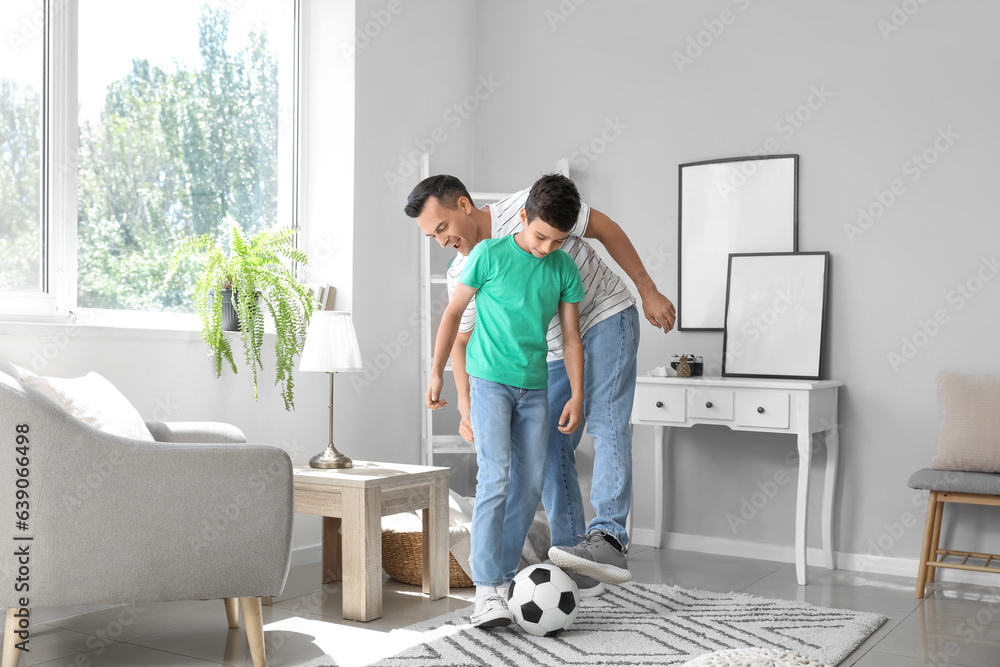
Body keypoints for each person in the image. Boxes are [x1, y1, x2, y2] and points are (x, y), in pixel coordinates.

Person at [406, 173, 675, 594]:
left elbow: (604, 228)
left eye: (442, 228)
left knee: (605, 422)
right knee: (549, 445)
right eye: (431, 236)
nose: (441, 241)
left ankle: (607, 538)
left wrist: (648, 289)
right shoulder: (464, 267)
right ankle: (575, 557)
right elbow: (461, 338)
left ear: (462, 205)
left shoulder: (528, 205)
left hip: (604, 314)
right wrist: (464, 402)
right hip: (549, 351)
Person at [425, 174, 585, 628]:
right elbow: (454, 316)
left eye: (557, 241)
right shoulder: (488, 256)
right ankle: (487, 589)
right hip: (489, 382)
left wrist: (577, 393)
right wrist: (437, 373)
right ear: (522, 218)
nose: (546, 248)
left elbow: (571, 339)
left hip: (535, 389)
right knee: (496, 476)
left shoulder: (562, 268)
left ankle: (504, 573)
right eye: (540, 236)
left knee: (530, 484)